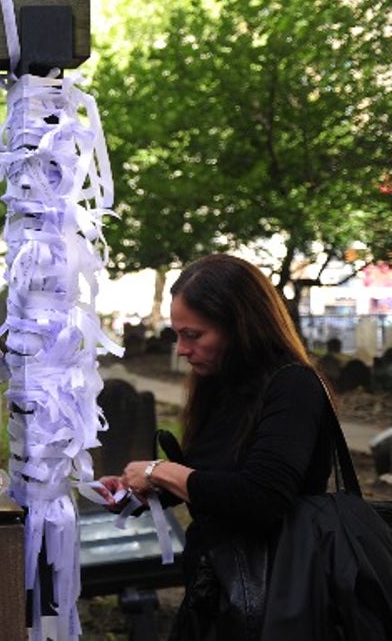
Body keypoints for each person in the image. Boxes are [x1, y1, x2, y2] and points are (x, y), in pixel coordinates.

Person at [97, 254, 333, 639]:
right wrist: (143, 490)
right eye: (178, 334)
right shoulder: (220, 384)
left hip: (275, 596)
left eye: (194, 335)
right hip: (217, 587)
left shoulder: (293, 387)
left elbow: (262, 497)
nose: (182, 350)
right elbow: (214, 476)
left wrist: (162, 471)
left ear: (241, 327)